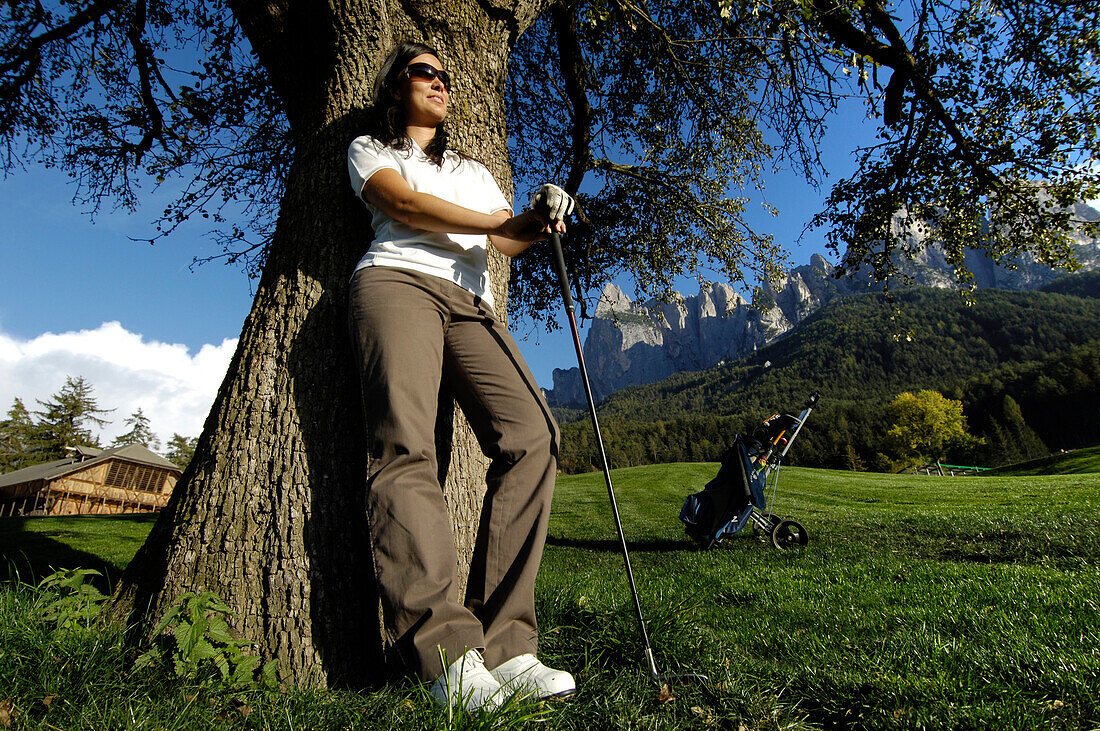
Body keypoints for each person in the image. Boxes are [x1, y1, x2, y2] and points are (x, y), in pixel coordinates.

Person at [346, 41, 577, 713]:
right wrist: (502, 221)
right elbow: (408, 207)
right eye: (424, 72)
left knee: (534, 433)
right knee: (406, 448)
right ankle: (443, 650)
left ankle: (509, 645)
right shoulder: (372, 149)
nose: (439, 83)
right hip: (396, 285)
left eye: (445, 75)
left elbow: (503, 241)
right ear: (395, 87)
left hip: (471, 304)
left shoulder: (473, 169)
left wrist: (538, 220)